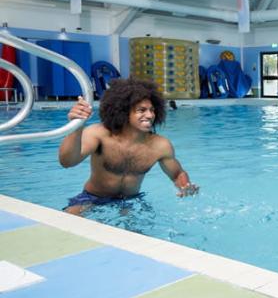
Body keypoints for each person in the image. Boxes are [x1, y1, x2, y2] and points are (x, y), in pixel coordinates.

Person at [59, 77, 198, 216]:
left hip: (131, 201)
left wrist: (185, 185)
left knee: (138, 234)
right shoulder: (99, 134)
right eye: (142, 110)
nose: (150, 115)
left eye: (152, 110)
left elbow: (177, 173)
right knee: (67, 221)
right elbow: (67, 162)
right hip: (92, 198)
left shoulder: (160, 145)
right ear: (124, 112)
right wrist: (77, 126)